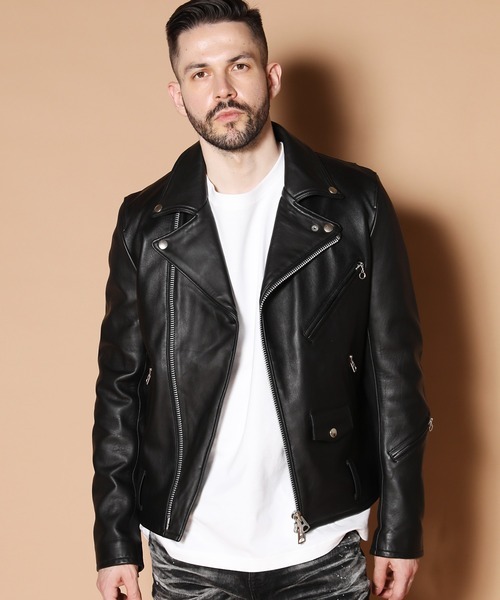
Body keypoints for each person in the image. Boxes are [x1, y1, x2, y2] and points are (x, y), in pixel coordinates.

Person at [92, 1, 431, 598]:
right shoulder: (145, 223)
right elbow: (120, 386)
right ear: (178, 95)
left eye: (239, 65)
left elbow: (395, 377)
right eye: (200, 73)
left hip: (322, 545)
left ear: (271, 77)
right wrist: (114, 540)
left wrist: (400, 531)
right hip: (189, 553)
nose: (222, 89)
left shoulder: (356, 204)